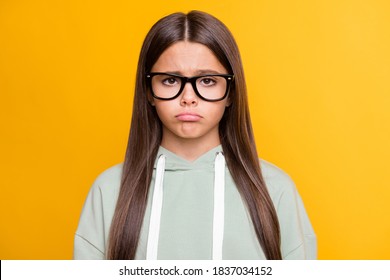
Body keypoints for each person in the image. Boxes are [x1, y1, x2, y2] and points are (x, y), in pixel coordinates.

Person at [73, 10, 316, 260]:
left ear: (231, 91)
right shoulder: (109, 190)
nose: (188, 98)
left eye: (208, 81)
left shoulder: (275, 190)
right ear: (148, 91)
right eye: (169, 80)